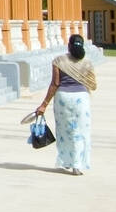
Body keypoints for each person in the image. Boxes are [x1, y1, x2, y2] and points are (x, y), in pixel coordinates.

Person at [32, 34, 98, 175]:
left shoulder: (58, 61)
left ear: (69, 45)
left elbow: (55, 83)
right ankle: (77, 165)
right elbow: (92, 84)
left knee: (65, 132)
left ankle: (67, 161)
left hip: (63, 99)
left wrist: (44, 104)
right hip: (81, 99)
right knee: (81, 131)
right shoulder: (87, 62)